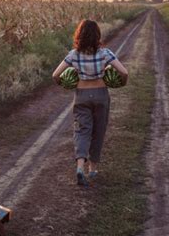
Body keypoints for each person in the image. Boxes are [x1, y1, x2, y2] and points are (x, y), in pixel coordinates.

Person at [52, 19, 128, 186]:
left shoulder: (73, 55)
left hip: (82, 96)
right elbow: (124, 71)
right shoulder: (105, 53)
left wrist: (65, 84)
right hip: (101, 95)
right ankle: (92, 169)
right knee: (98, 131)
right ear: (97, 36)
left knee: (81, 131)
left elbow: (55, 75)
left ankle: (80, 167)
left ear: (79, 35)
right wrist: (121, 82)